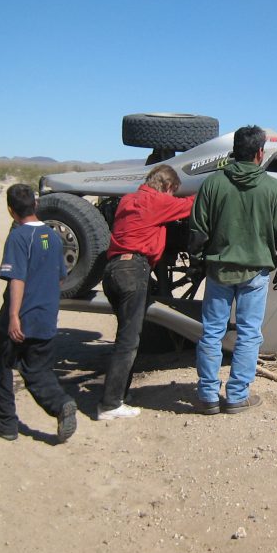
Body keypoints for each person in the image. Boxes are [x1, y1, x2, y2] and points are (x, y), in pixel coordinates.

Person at [190, 125, 277, 415]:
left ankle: (208, 395)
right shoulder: (273, 188)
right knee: (249, 334)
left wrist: (197, 261)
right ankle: (237, 396)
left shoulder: (212, 183)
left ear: (234, 151)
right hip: (255, 274)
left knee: (212, 332)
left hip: (218, 271)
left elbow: (198, 230)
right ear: (260, 152)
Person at [97, 164, 194, 420]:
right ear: (169, 187)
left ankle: (119, 394)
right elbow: (191, 204)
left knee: (125, 336)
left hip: (113, 270)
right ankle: (109, 404)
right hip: (132, 270)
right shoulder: (157, 202)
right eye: (173, 192)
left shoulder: (128, 199)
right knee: (128, 341)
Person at [0, 183, 77, 443]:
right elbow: (61, 277)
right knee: (37, 371)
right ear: (36, 205)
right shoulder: (52, 236)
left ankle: (4, 424)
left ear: (10, 210)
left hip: (21, 317)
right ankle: (61, 404)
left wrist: (14, 315)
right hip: (46, 317)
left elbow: (16, 278)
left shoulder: (18, 236)